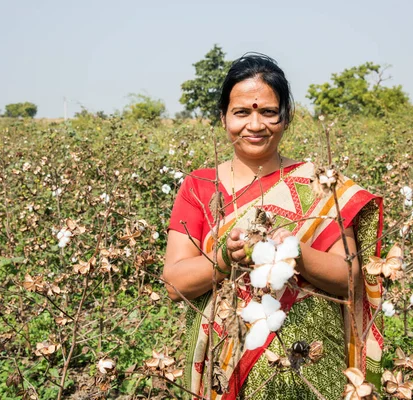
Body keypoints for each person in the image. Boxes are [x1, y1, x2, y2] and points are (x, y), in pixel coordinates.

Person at [163, 53, 383, 400]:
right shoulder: (199, 186)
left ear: (285, 117)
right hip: (222, 366)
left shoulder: (320, 185)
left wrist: (296, 252)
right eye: (241, 112)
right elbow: (175, 284)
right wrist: (225, 258)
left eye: (267, 112)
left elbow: (352, 277)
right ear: (223, 118)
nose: (255, 124)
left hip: (311, 369)